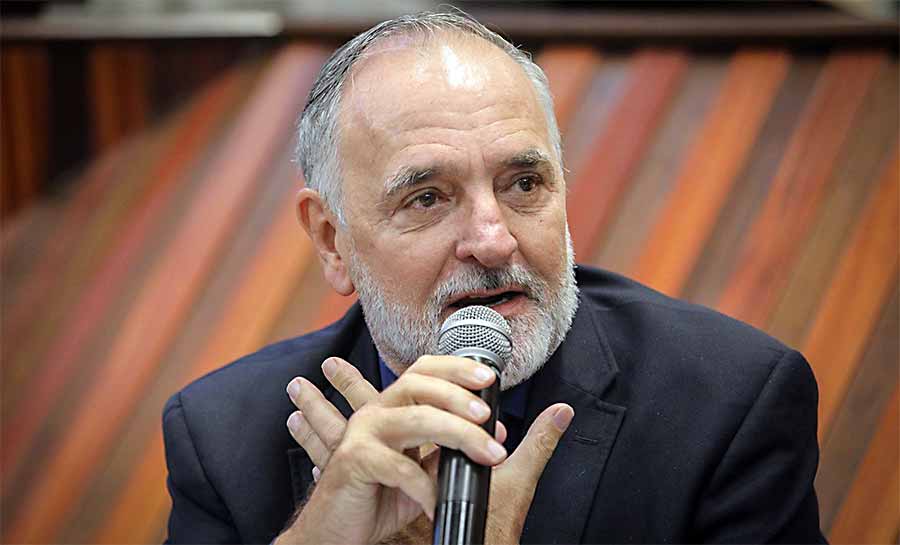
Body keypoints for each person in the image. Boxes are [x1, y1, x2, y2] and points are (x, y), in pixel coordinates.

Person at [162, 11, 827, 545]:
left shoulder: (728, 406)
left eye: (524, 183)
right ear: (332, 242)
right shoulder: (223, 437)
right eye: (427, 198)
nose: (494, 239)